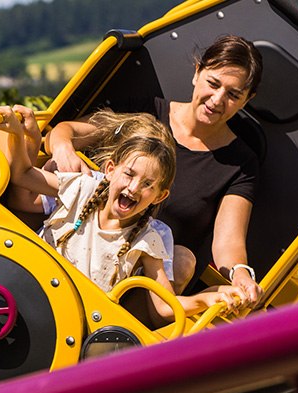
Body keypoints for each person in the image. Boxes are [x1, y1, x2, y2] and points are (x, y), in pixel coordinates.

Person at [44, 35, 264, 305]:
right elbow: (68, 131)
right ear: (197, 73)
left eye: (233, 95)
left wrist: (241, 274)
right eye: (213, 83)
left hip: (143, 275)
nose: (217, 100)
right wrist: (63, 147)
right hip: (86, 239)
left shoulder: (240, 163)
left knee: (182, 259)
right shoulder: (147, 113)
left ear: (246, 100)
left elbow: (228, 242)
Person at [0, 105, 246, 324]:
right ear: (111, 169)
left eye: (148, 185)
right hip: (29, 280)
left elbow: (165, 307)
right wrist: (18, 136)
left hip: (74, 315)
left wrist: (209, 297)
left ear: (160, 196)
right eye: (129, 175)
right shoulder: (83, 187)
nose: (134, 188)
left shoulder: (148, 240)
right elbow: (23, 175)